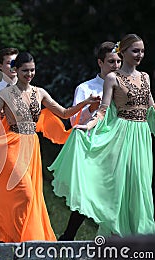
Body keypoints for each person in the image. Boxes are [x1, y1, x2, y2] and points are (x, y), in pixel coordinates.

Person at [0, 52, 100, 242]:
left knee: (27, 197)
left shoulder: (40, 92)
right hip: (13, 144)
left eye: (32, 70)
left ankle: (15, 239)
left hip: (32, 147)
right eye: (25, 71)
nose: (29, 74)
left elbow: (64, 113)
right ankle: (16, 236)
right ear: (15, 70)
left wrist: (86, 104)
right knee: (25, 193)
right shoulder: (5, 94)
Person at [49, 34, 155, 238]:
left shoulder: (145, 77)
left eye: (142, 51)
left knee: (141, 185)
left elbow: (152, 108)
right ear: (123, 52)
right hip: (121, 135)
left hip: (142, 136)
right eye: (135, 50)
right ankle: (117, 235)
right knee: (119, 185)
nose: (140, 55)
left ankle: (142, 236)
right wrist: (87, 125)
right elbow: (103, 111)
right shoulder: (112, 78)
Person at [59, 41, 122, 241]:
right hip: (93, 146)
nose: (116, 65)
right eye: (111, 61)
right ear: (100, 62)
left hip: (117, 143)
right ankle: (69, 236)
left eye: (119, 61)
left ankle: (115, 237)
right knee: (91, 191)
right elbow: (72, 120)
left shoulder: (125, 85)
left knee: (116, 190)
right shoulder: (86, 88)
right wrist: (90, 108)